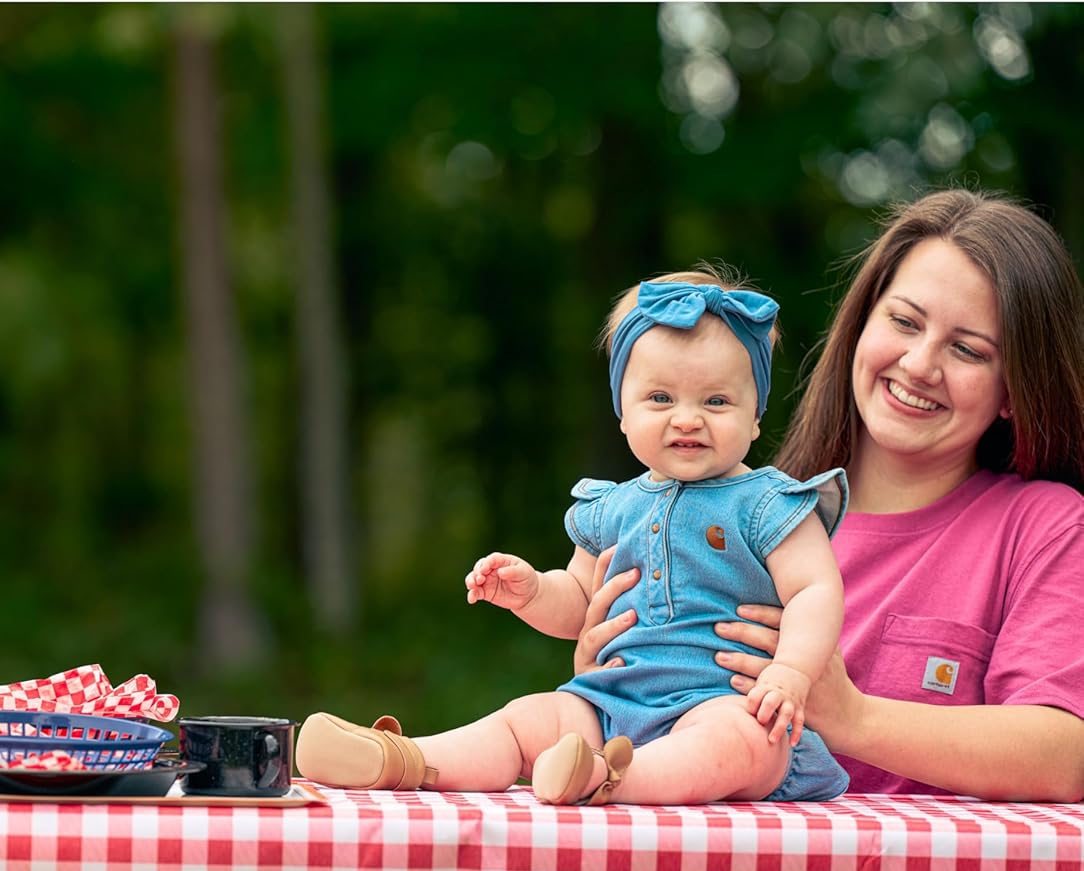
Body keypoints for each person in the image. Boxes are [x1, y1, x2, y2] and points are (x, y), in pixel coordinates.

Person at [295, 267, 852, 805]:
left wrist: (790, 671)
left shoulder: (768, 503)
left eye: (716, 401)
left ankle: (610, 778)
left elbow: (815, 591)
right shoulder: (610, 507)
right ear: (623, 415)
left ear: (756, 416)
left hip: (724, 701)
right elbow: (581, 603)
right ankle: (405, 759)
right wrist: (535, 592)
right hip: (610, 698)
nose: (687, 419)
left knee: (737, 744)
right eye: (661, 399)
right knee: (526, 719)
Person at [708, 188, 1084, 802]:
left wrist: (852, 716)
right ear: (862, 324)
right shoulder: (746, 513)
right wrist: (606, 672)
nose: (918, 364)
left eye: (967, 349)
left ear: (1015, 389)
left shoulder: (1045, 527)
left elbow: (1067, 753)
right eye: (904, 322)